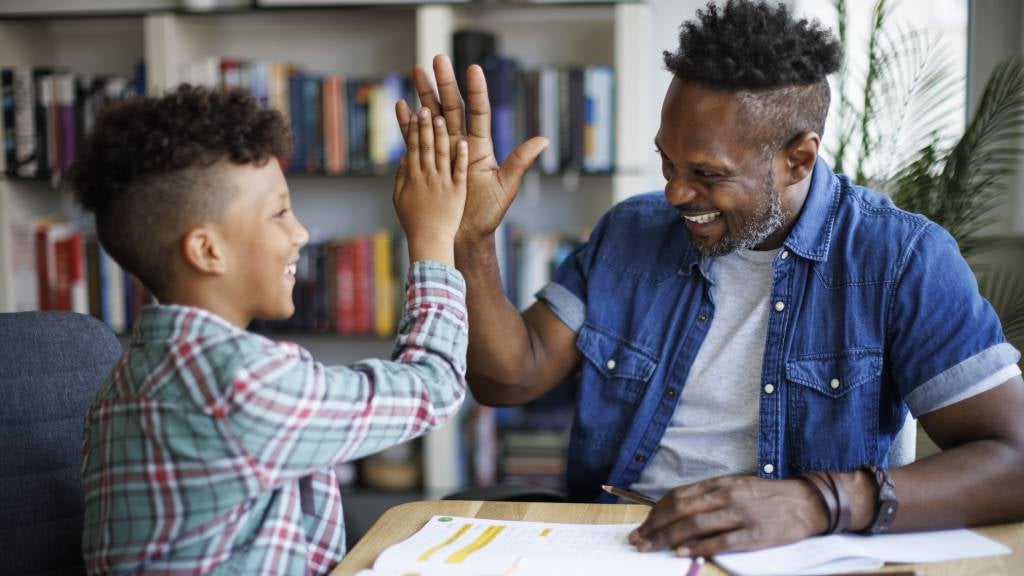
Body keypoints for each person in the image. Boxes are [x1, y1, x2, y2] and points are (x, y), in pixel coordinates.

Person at [398, 0, 1024, 559]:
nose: (674, 192)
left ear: (798, 158)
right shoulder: (631, 233)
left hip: (800, 553)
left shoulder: (900, 259)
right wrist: (470, 240)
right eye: (667, 161)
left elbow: (1014, 461)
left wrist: (816, 502)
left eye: (707, 173)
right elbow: (510, 377)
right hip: (618, 546)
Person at [72, 85, 469, 574]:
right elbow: (435, 385)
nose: (300, 232)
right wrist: (432, 238)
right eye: (280, 212)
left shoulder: (122, 383)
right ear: (207, 251)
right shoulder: (241, 383)